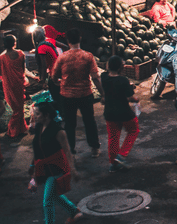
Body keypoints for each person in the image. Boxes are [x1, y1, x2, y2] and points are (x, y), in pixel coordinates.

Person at [29, 93, 83, 224]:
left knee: (47, 200)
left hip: (56, 168)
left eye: (38, 114)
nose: (36, 116)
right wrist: (33, 168)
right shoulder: (39, 127)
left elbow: (67, 151)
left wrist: (73, 170)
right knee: (54, 195)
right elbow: (37, 148)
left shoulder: (58, 131)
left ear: (46, 115)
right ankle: (74, 211)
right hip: (43, 169)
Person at [52, 28, 102, 157]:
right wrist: (103, 94)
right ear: (80, 39)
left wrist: (58, 82)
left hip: (67, 96)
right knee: (89, 121)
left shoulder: (62, 57)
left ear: (67, 41)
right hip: (85, 94)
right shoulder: (88, 56)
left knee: (69, 124)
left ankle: (71, 151)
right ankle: (95, 148)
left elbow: (54, 76)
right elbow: (96, 77)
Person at [101, 55, 139, 173]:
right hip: (124, 113)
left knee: (113, 138)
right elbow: (130, 98)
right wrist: (136, 99)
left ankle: (113, 164)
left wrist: (129, 87)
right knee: (133, 130)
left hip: (109, 113)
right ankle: (121, 155)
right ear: (120, 68)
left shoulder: (104, 77)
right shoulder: (123, 80)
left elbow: (114, 86)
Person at [1, 35, 28, 138]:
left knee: (13, 108)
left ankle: (13, 131)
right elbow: (23, 69)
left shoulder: (2, 58)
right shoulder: (21, 54)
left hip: (9, 85)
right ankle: (20, 129)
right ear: (14, 43)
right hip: (19, 83)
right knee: (20, 107)